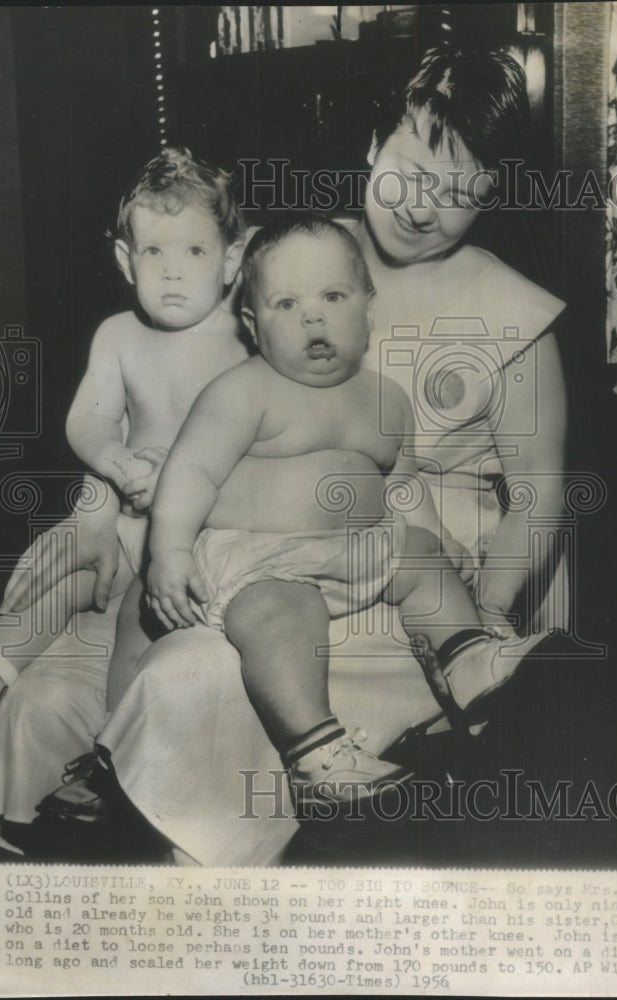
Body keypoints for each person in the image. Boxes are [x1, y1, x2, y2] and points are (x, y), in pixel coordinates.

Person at [0, 47, 567, 865]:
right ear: (373, 145)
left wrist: (479, 625)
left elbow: (539, 499)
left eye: (460, 192)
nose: (422, 208)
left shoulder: (517, 317)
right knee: (48, 692)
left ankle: (172, 867)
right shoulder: (285, 257)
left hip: (408, 579)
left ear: (494, 195)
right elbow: (160, 394)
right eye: (407, 170)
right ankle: (29, 863)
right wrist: (103, 505)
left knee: (192, 675)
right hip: (233, 540)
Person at [138, 212, 529, 818]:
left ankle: (468, 659)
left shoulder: (386, 400)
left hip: (355, 554)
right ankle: (317, 751)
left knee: (422, 554)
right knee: (282, 616)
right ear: (252, 322)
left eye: (332, 296)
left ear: (369, 310)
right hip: (260, 562)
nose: (312, 316)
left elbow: (402, 487)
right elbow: (190, 473)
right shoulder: (244, 390)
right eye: (286, 303)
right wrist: (170, 551)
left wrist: (440, 543)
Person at [0, 146, 247, 753]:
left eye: (194, 251)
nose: (172, 271)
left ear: (232, 259)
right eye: (154, 251)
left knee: (147, 620)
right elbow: (88, 419)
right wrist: (119, 465)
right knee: (64, 573)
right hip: (124, 513)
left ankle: (118, 751)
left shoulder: (243, 336)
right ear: (126, 260)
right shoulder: (119, 335)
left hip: (202, 530)